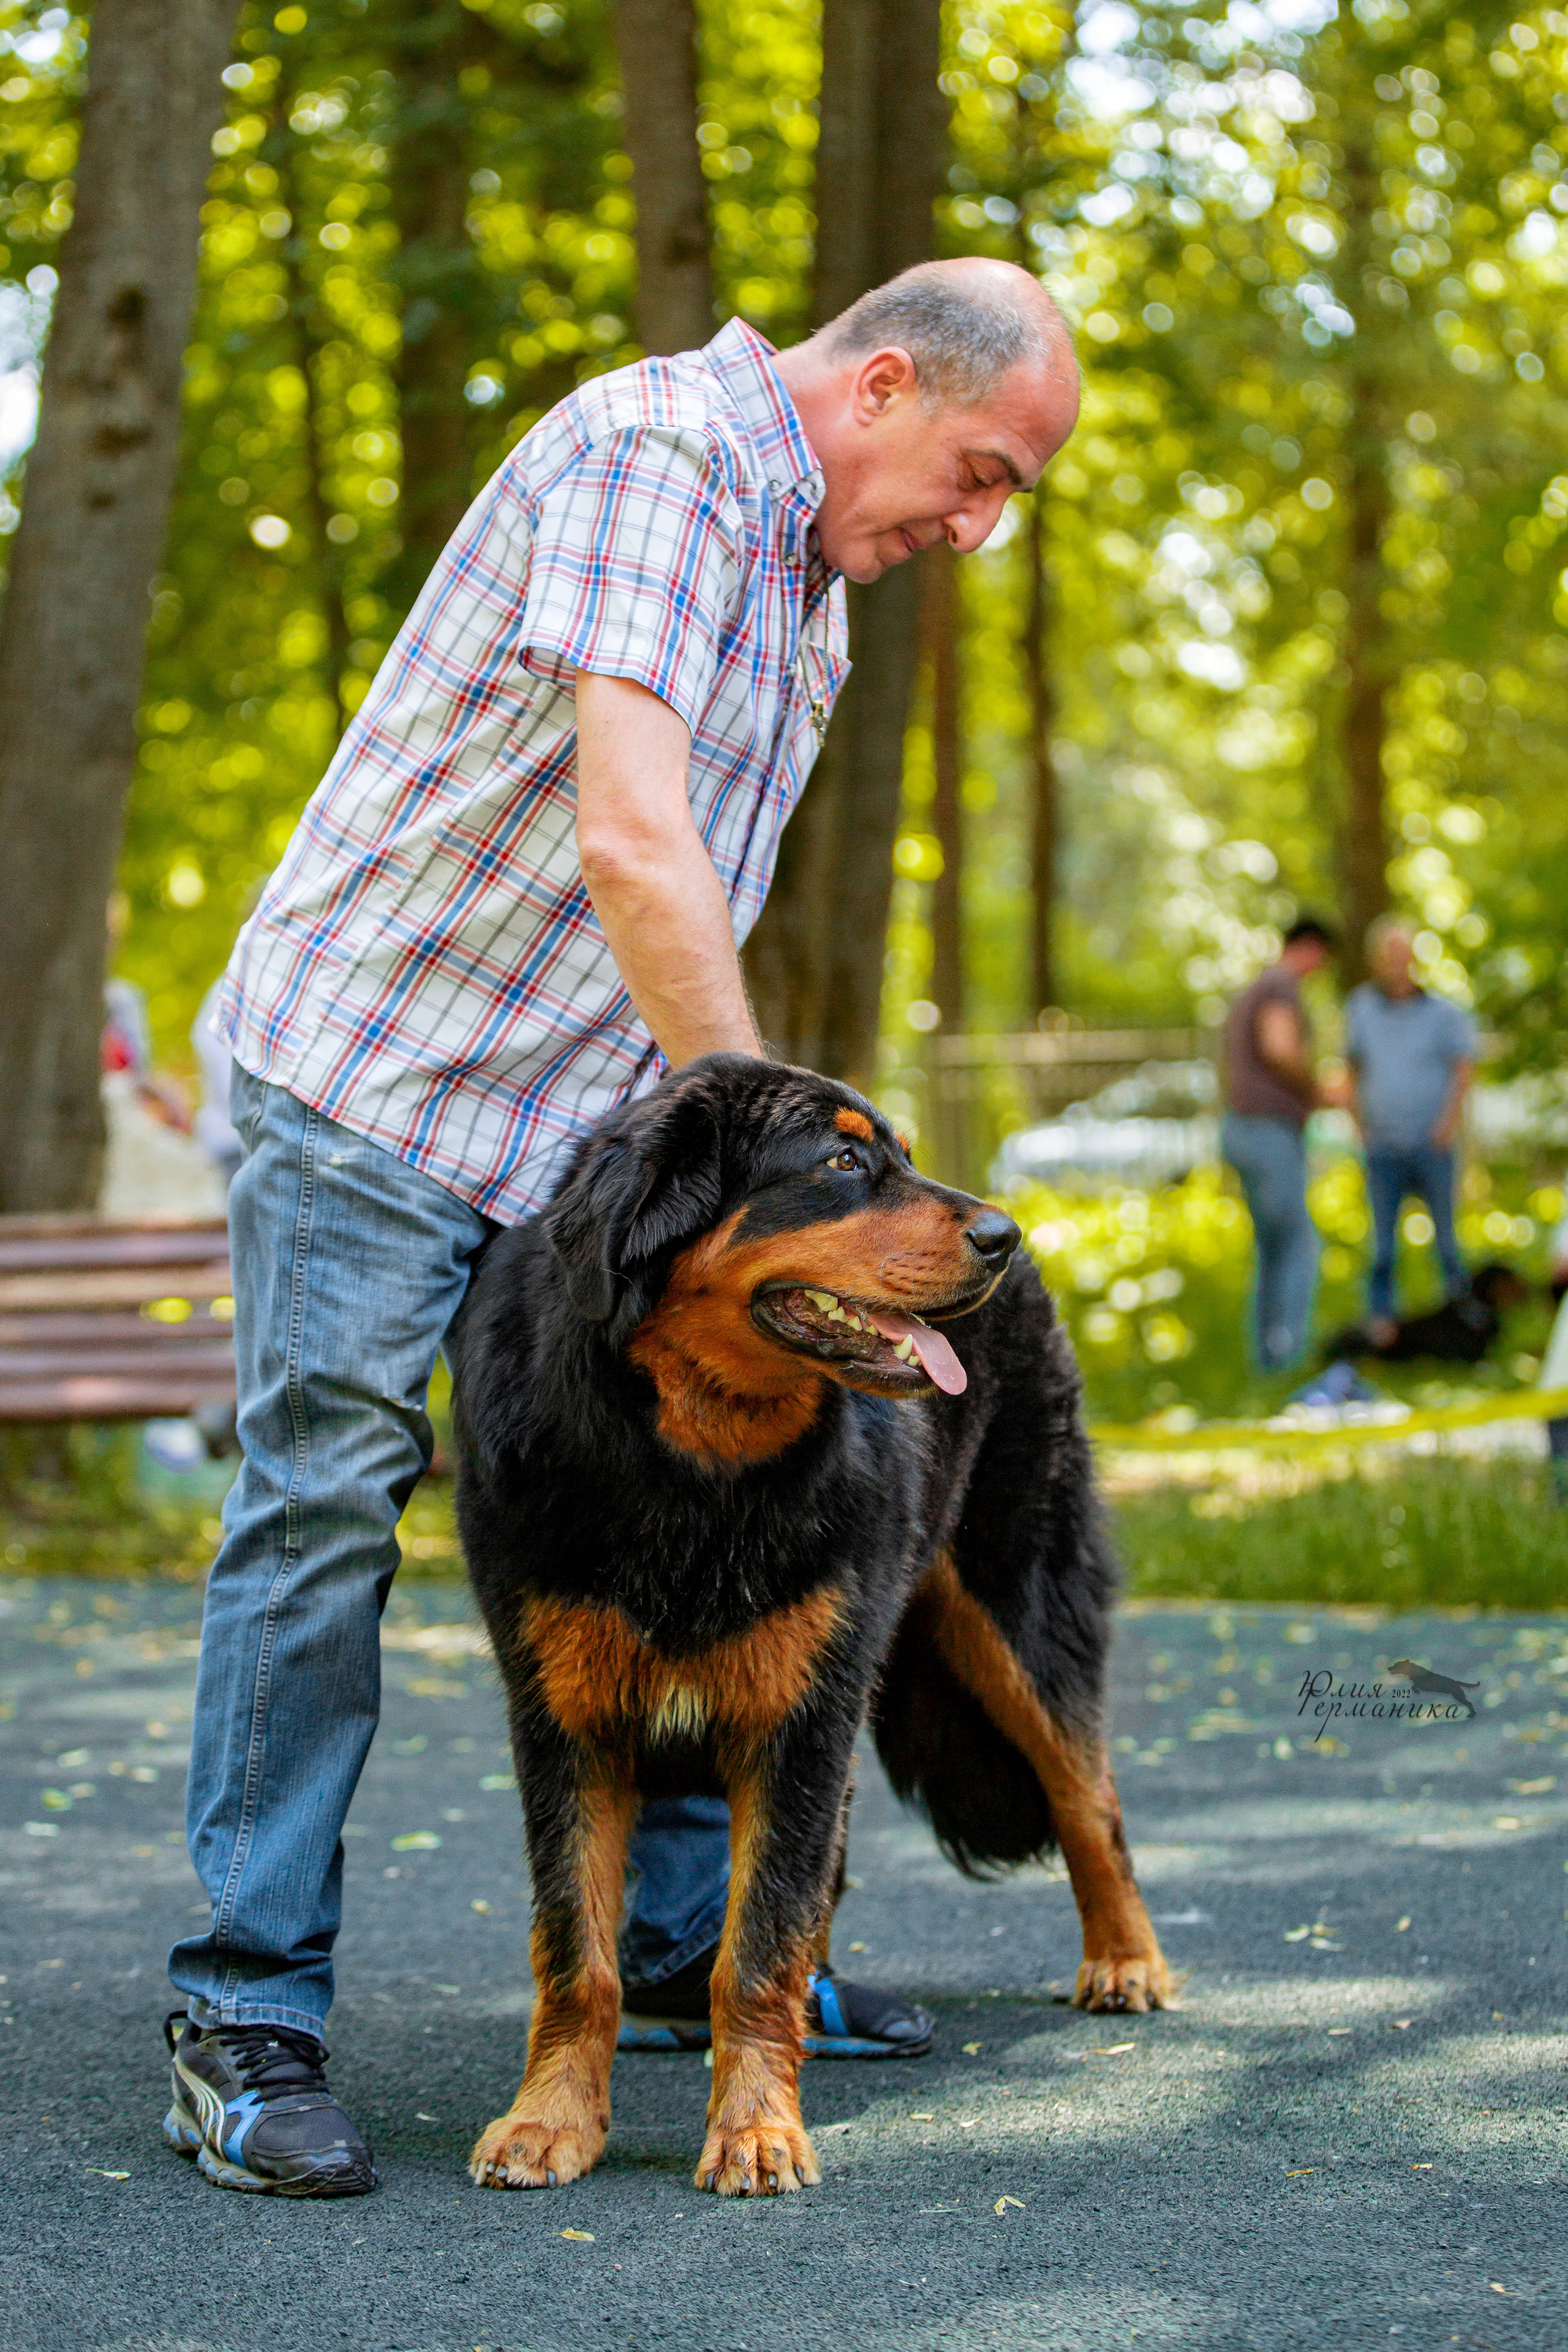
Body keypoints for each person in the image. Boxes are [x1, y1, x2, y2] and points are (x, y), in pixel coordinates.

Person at [162, 260, 1082, 2198]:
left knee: (696, 1506)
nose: (977, 526)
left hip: (572, 1133)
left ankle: (681, 1956)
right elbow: (632, 838)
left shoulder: (807, 577)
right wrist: (768, 1167)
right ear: (889, 380)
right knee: (327, 1490)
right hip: (382, 1078)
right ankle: (242, 2007)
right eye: (980, 470)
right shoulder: (662, 458)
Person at [1345, 916, 1476, 1347]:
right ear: (1376, 960)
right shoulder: (1360, 1009)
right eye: (1389, 954)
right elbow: (1352, 1070)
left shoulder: (1444, 1013)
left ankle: (1462, 1321)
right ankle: (1383, 1333)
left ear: (1416, 958)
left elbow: (1463, 1068)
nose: (1397, 962)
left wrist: (1446, 1125)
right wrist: (1360, 1127)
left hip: (1431, 1142)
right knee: (1381, 1248)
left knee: (1447, 1242)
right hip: (1383, 1144)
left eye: (1404, 953)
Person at [1220, 917, 1342, 1374]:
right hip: (1269, 1132)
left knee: (1272, 1247)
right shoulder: (1279, 986)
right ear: (1311, 948)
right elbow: (1280, 1048)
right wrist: (1322, 1090)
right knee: (1298, 1246)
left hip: (1244, 1129)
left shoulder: (1258, 986)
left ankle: (1266, 1360)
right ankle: (1287, 1358)